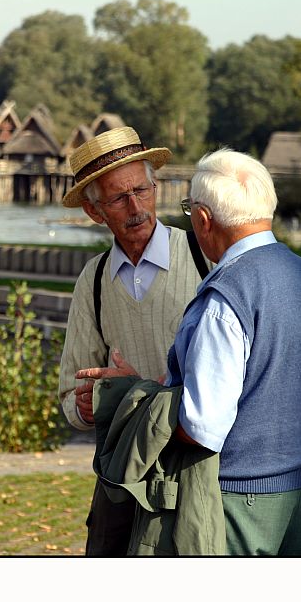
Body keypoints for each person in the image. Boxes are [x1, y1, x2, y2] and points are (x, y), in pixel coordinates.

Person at [79, 148, 301, 556]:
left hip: (238, 501)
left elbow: (202, 428)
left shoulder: (225, 299)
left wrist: (136, 397)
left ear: (204, 220)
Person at [58, 126, 209, 556]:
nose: (136, 207)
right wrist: (85, 406)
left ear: (155, 187)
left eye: (141, 190)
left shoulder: (204, 258)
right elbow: (70, 394)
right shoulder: (93, 282)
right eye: (118, 198)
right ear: (95, 212)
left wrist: (136, 391)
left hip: (199, 471)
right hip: (123, 478)